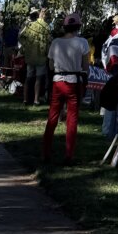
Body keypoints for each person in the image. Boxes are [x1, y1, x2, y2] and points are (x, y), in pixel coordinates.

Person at [41, 13, 90, 162]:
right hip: (73, 81)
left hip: (57, 81)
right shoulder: (82, 43)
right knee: (72, 117)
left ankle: (46, 152)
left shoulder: (56, 42)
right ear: (78, 27)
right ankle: (69, 154)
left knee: (53, 116)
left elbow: (50, 65)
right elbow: (85, 66)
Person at [19, 8, 50, 105]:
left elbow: (20, 36)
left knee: (28, 78)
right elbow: (48, 42)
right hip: (41, 56)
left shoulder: (30, 25)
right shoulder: (46, 27)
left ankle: (25, 99)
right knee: (38, 78)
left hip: (30, 55)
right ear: (45, 16)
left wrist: (25, 46)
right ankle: (36, 100)